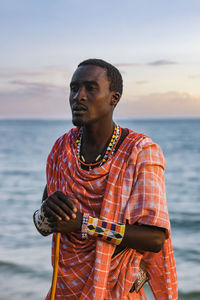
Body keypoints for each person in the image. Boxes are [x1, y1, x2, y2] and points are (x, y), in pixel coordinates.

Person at [33, 58, 178, 299]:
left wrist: (84, 224)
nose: (78, 96)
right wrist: (46, 212)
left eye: (91, 88)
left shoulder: (140, 152)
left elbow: (155, 238)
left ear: (114, 98)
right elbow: (45, 226)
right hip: (65, 287)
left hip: (117, 286)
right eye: (74, 88)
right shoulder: (63, 150)